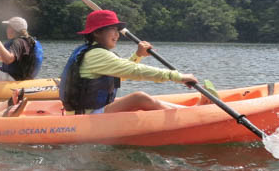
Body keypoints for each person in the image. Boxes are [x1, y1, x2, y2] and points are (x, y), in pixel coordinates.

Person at [59, 9, 198, 114]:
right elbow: (134, 71)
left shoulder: (90, 51)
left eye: (117, 30)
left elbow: (120, 75)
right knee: (139, 98)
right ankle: (189, 115)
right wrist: (177, 76)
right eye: (112, 29)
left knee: (140, 100)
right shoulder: (96, 54)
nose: (117, 35)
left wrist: (138, 55)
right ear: (96, 32)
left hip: (88, 111)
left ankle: (188, 110)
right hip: (86, 116)